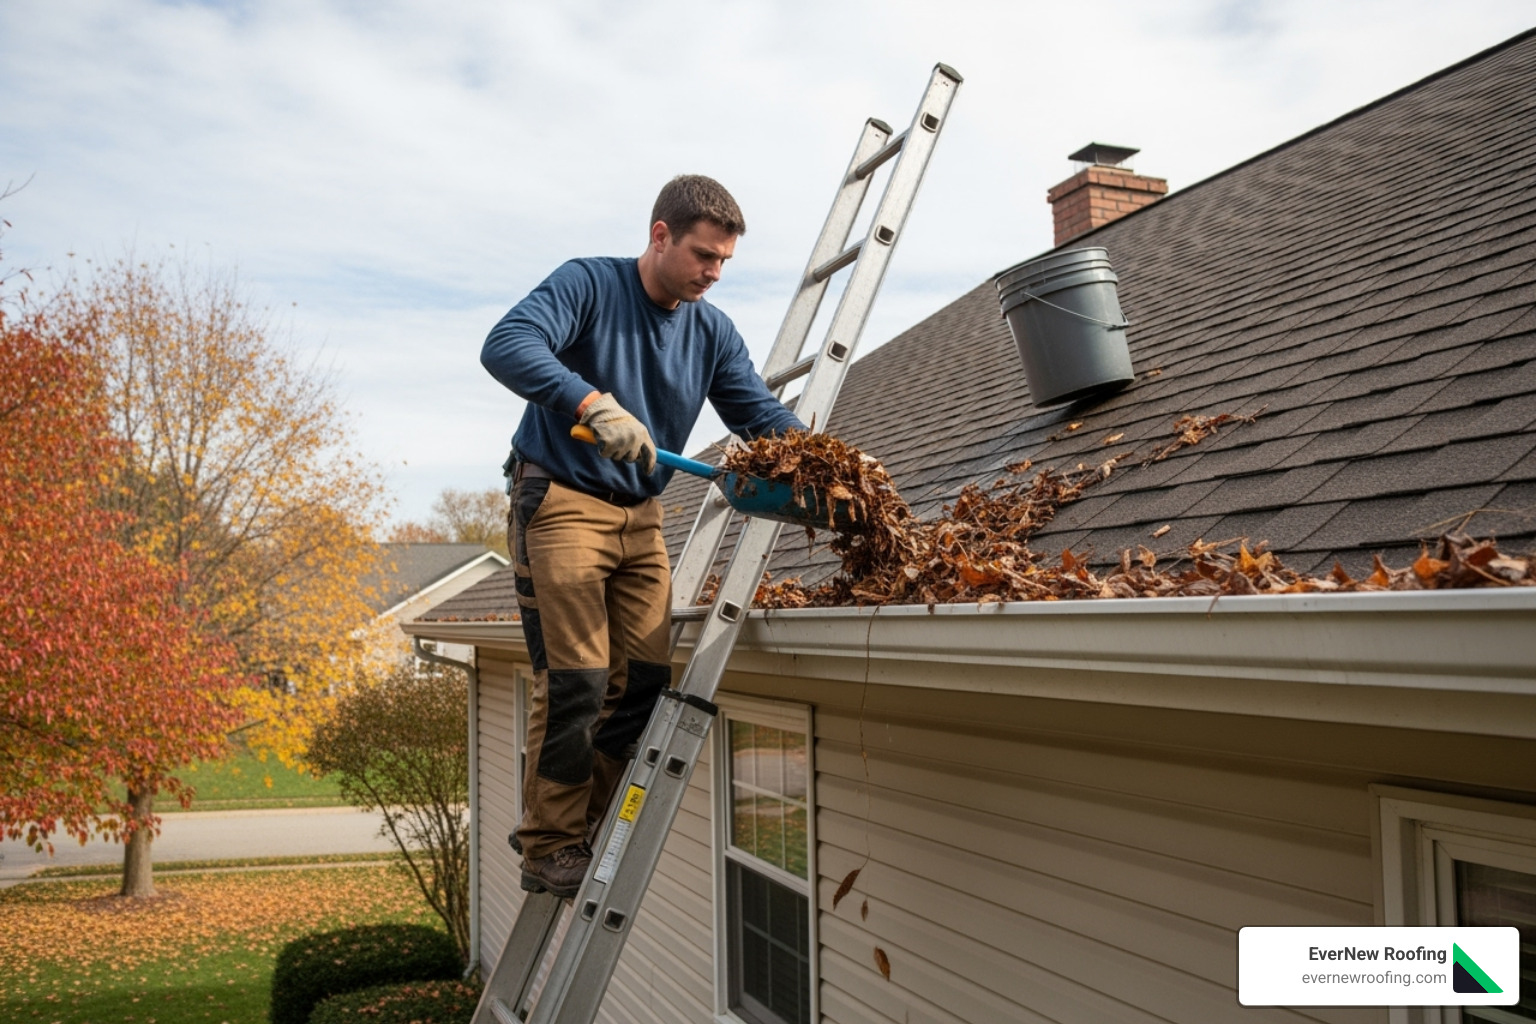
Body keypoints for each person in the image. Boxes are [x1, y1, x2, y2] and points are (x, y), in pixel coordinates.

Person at [481, 175, 805, 898]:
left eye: (723, 262)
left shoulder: (710, 330)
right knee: (577, 679)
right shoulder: (588, 285)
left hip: (642, 515)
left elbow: (759, 412)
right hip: (560, 497)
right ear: (660, 235)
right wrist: (591, 403)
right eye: (702, 255)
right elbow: (507, 344)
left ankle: (564, 825)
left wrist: (829, 468)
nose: (712, 273)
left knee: (644, 684)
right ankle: (550, 843)